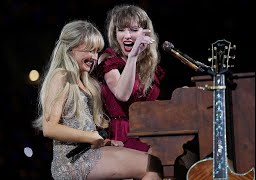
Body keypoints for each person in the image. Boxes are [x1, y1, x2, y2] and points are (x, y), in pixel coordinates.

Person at [32, 20, 163, 180]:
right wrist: (91, 137)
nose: (94, 57)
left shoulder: (87, 82)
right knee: (152, 165)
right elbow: (50, 128)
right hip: (72, 161)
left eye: (96, 52)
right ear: (70, 49)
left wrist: (105, 141)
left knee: (155, 161)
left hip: (89, 153)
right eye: (89, 50)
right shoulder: (61, 76)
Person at [94, 4, 165, 153]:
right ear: (114, 34)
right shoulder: (109, 59)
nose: (127, 36)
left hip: (147, 132)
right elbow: (122, 94)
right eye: (121, 30)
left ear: (146, 33)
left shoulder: (148, 66)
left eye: (133, 30)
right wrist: (133, 56)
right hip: (121, 134)